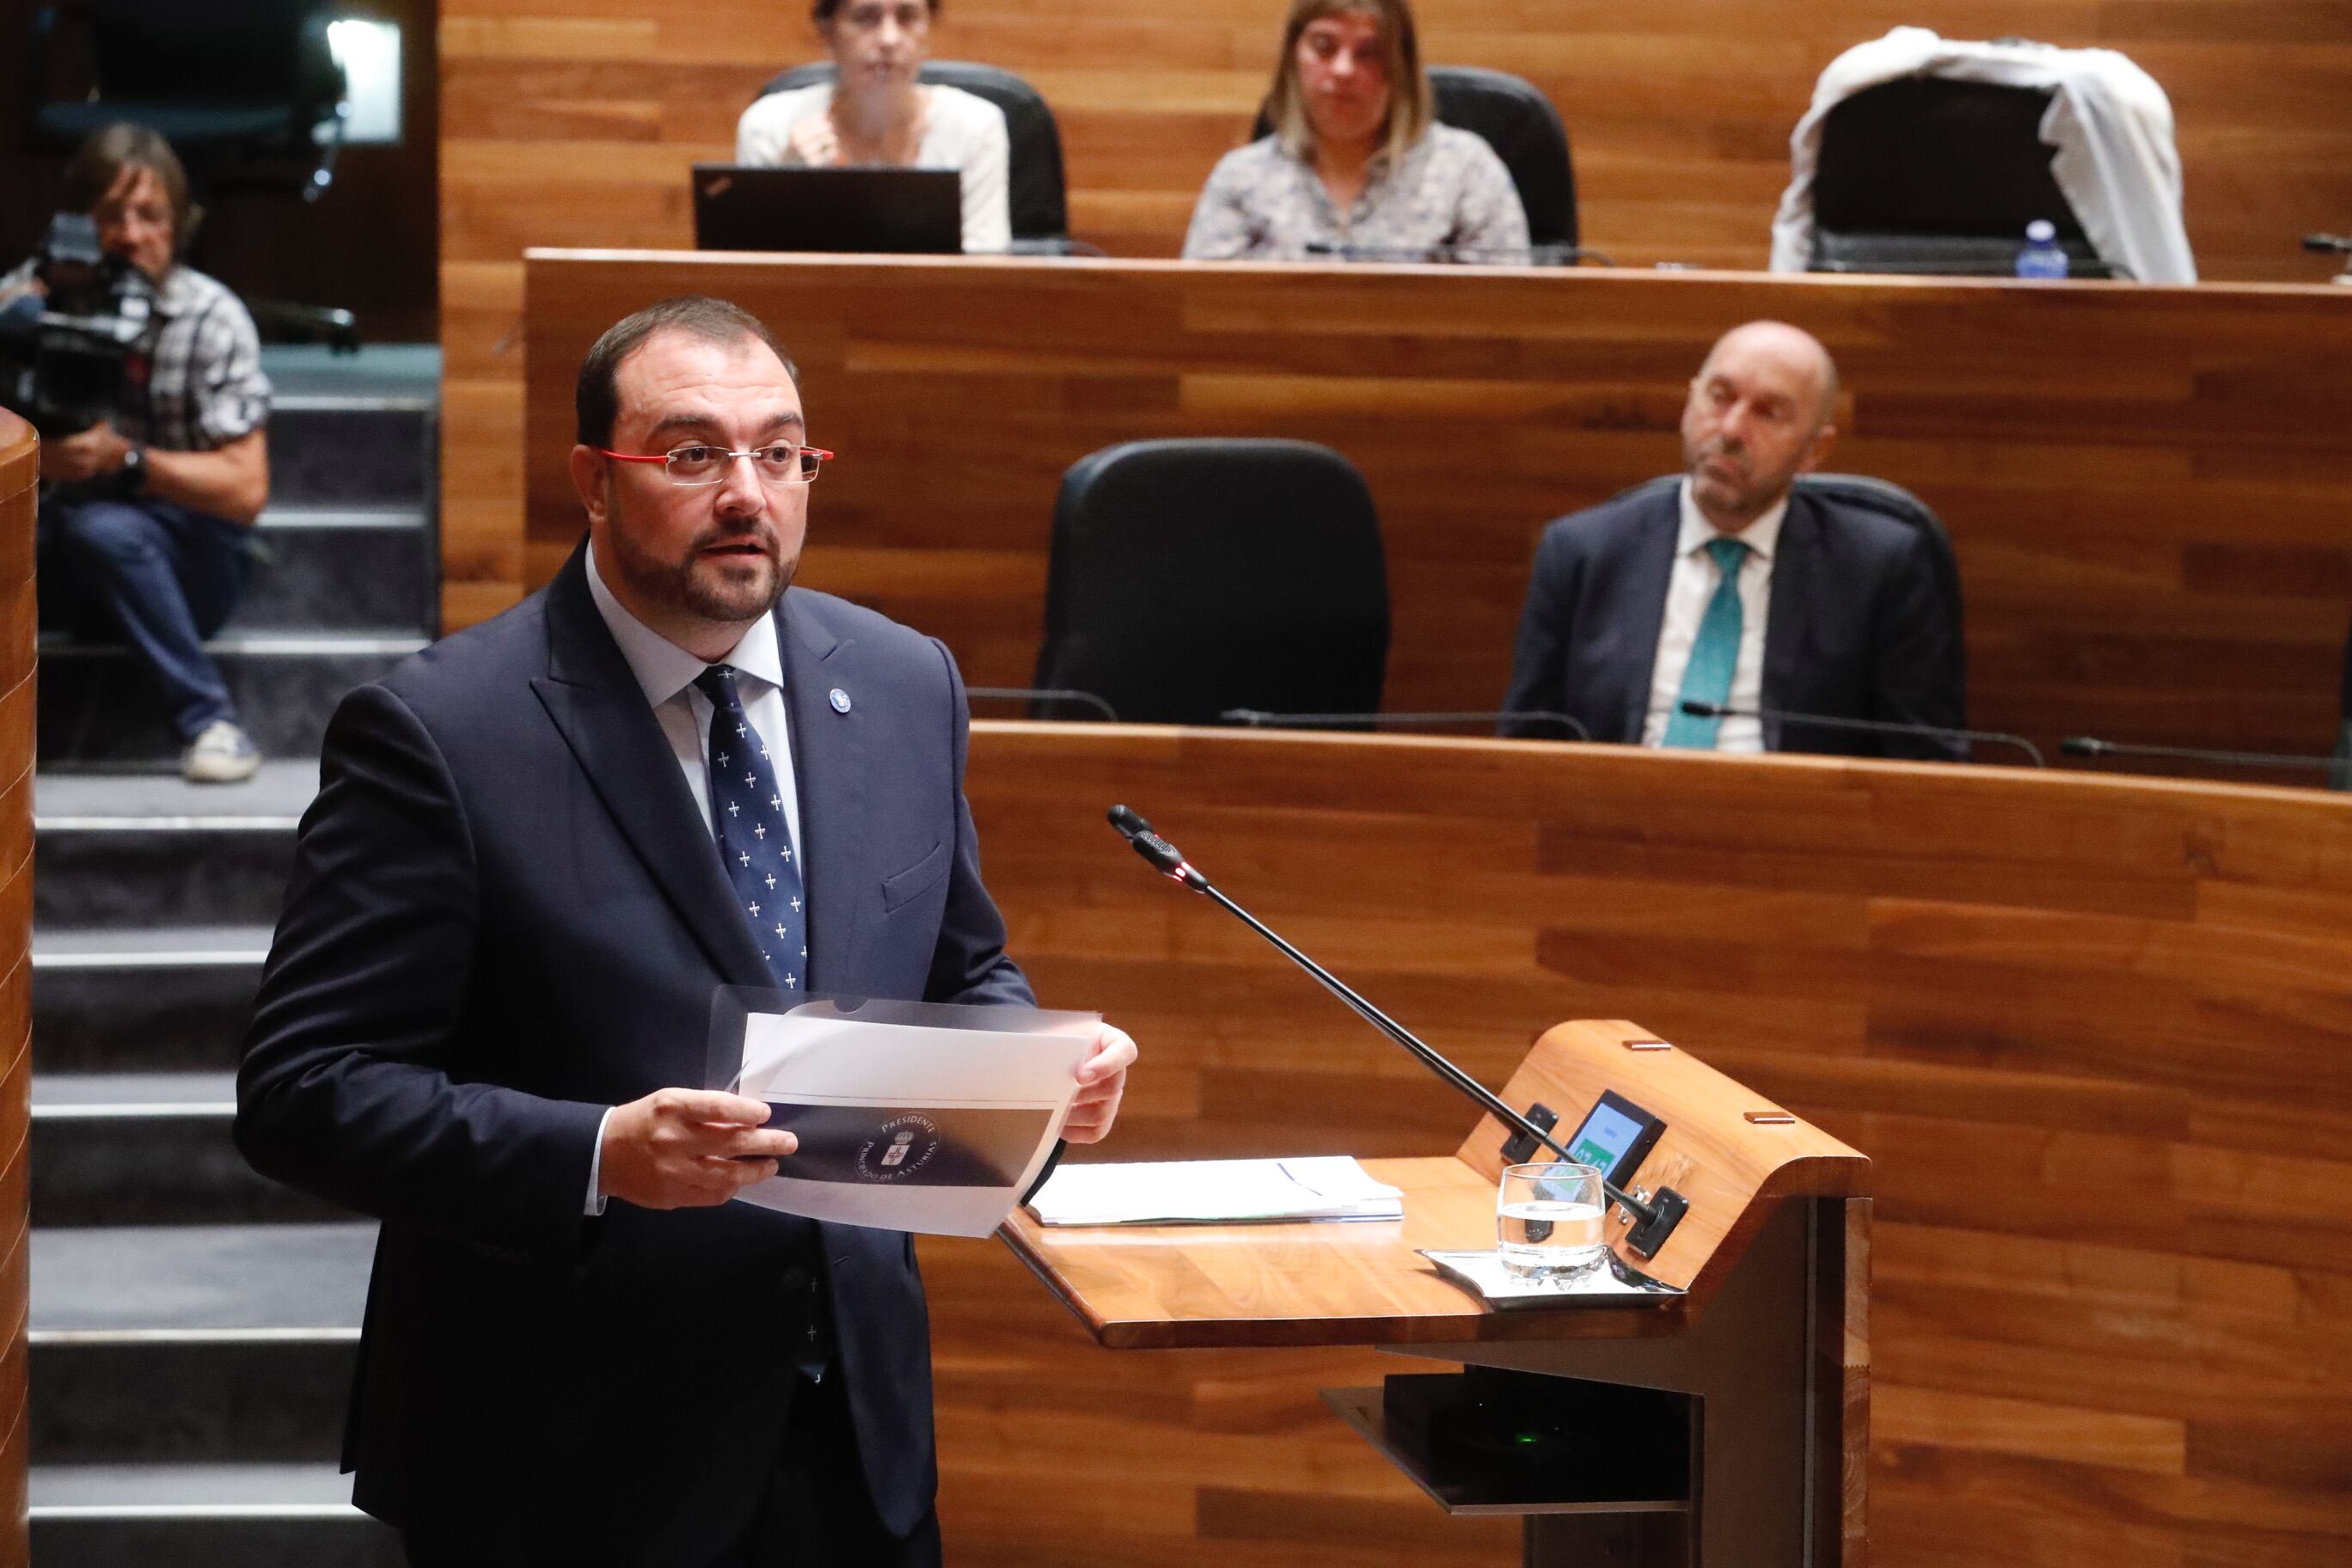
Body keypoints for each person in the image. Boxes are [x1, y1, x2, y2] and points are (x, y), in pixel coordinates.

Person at [233, 295, 1137, 1565]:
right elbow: (303, 1090)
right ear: (593, 483)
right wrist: (601, 1153)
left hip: (854, 1449)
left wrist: (1043, 1075)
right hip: (560, 1467)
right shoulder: (441, 732)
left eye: (781, 452)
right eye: (692, 452)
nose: (747, 493)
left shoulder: (898, 681)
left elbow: (960, 964)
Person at [1500, 321, 1967, 760]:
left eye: (1769, 413)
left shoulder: (1879, 568)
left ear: (1814, 450)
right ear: (1689, 405)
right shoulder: (1581, 551)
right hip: (1617, 821)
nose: (1729, 430)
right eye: (1719, 398)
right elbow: (1525, 749)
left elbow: (1925, 765)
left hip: (1796, 827)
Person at [1, 124, 270, 781]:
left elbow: (245, 490)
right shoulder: (21, 306)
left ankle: (210, 721)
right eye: (108, 216)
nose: (128, 235)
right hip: (50, 556)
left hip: (188, 561)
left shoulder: (210, 317)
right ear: (75, 223)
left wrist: (122, 460)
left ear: (177, 226)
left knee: (105, 527)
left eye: (149, 215)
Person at [1182, 0, 1528, 262]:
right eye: (1324, 46)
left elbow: (1511, 321)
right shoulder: (1241, 179)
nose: (1344, 69)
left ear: (1401, 69)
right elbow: (1201, 321)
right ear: (1293, 59)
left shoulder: (1466, 171)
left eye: (1369, 52)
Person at [737, 0, 1013, 254]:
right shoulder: (768, 125)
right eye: (865, 18)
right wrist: (785, 186)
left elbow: (985, 273)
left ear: (927, 30)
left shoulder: (975, 125)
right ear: (827, 31)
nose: (889, 39)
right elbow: (750, 280)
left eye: (907, 18)